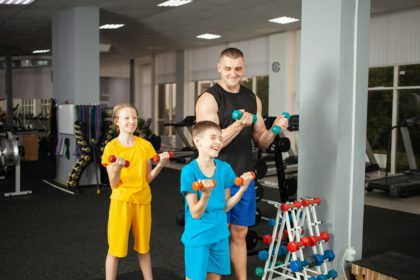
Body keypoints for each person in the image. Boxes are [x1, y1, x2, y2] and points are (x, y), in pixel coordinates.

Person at [195, 48, 289, 279]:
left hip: (243, 177)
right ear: (219, 67)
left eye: (237, 69)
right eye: (227, 68)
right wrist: (238, 124)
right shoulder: (209, 99)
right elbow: (211, 144)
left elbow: (262, 140)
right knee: (217, 235)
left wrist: (276, 129)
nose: (232, 73)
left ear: (243, 69)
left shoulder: (252, 98)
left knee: (239, 233)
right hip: (215, 179)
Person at [101, 103, 170, 280]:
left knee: (144, 248)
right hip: (122, 201)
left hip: (143, 200)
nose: (132, 121)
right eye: (126, 118)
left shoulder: (145, 145)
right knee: (115, 249)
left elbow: (147, 178)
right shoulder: (112, 148)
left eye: (134, 117)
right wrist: (116, 168)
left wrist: (161, 165)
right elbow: (113, 183)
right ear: (117, 121)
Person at [180, 120, 254, 280]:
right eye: (213, 137)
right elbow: (195, 213)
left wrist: (242, 189)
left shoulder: (225, 168)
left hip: (220, 235)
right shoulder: (189, 171)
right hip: (198, 236)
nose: (218, 142)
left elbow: (226, 206)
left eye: (220, 138)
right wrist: (205, 195)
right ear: (197, 141)